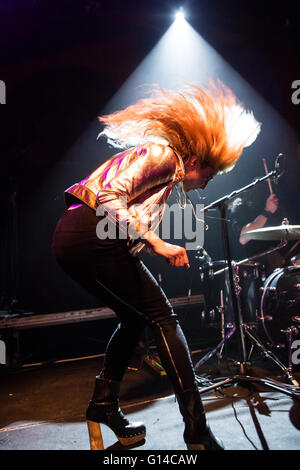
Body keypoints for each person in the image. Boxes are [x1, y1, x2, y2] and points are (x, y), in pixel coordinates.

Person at [52, 82, 260, 450]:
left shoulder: (166, 171)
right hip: (88, 233)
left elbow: (122, 214)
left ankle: (103, 404)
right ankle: (196, 431)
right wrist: (158, 242)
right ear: (194, 161)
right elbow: (108, 197)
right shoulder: (165, 156)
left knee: (134, 319)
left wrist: (150, 243)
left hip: (79, 235)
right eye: (208, 176)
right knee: (164, 319)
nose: (204, 185)